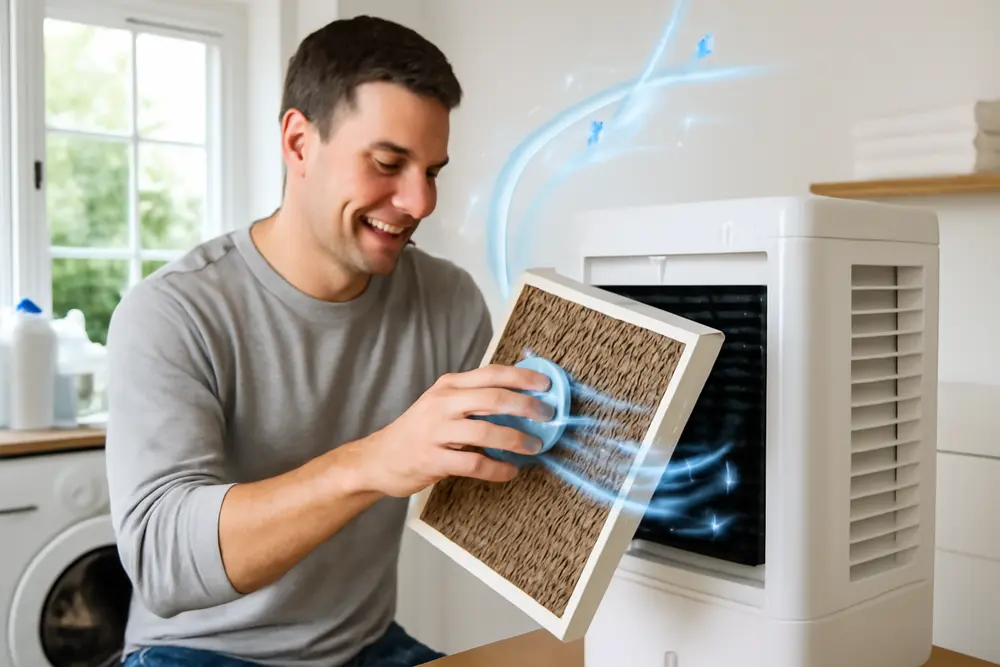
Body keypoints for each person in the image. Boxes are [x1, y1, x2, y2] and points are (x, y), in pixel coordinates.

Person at [104, 14, 553, 667]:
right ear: (298, 143)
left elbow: (499, 498)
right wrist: (372, 461)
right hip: (196, 651)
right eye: (388, 163)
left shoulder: (450, 302)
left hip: (362, 645)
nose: (420, 201)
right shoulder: (171, 312)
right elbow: (162, 563)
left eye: (433, 170)